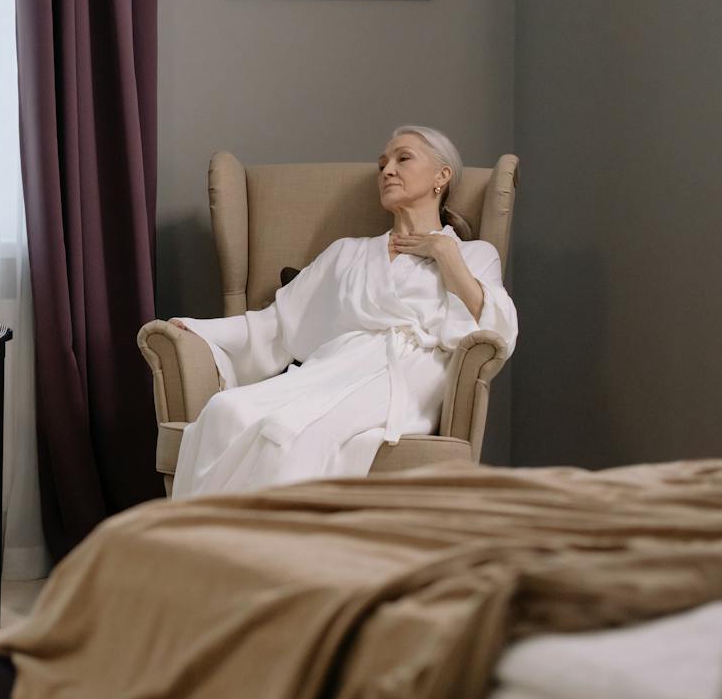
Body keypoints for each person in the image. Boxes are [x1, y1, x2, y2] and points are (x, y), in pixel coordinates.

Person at [169, 126, 517, 498]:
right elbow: (274, 323)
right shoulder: (347, 253)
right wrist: (198, 329)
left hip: (408, 373)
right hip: (335, 367)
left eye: (403, 158)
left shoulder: (474, 254)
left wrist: (446, 255)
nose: (386, 170)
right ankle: (203, 544)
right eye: (382, 164)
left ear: (441, 176)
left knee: (291, 432)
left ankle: (277, 549)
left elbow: (496, 328)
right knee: (226, 411)